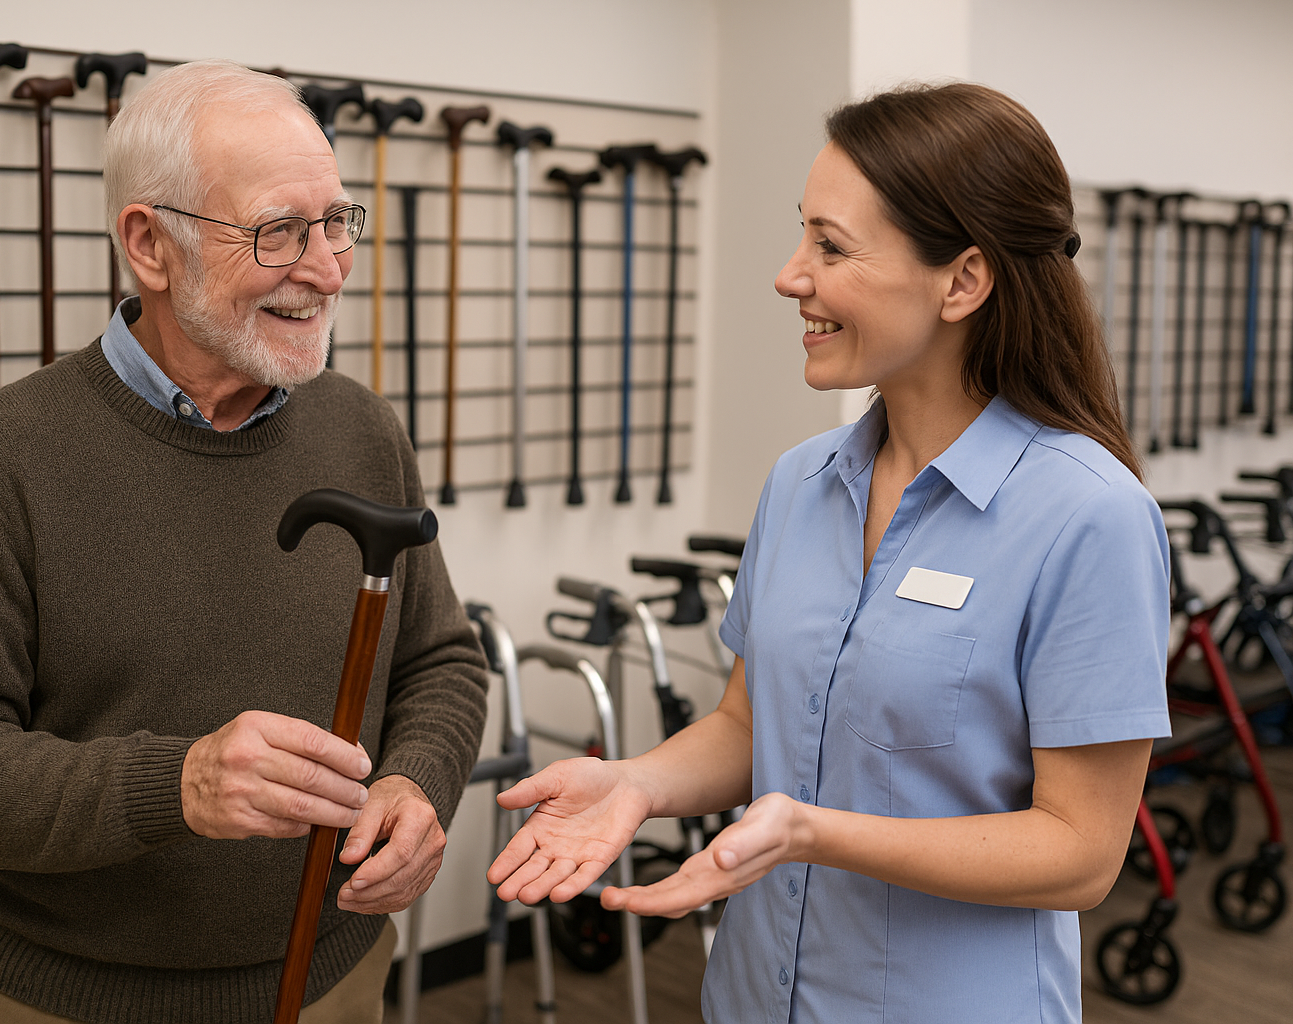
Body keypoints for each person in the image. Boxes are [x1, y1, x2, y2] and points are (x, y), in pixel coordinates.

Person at [489, 82, 1170, 1023]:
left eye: (831, 246)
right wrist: (636, 784)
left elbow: (1082, 853)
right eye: (801, 236)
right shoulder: (802, 482)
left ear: (962, 281)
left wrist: (813, 831)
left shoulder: (1090, 517)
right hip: (754, 997)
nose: (789, 274)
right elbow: (747, 724)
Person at [0, 60, 488, 1024]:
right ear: (150, 246)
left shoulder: (362, 429)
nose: (327, 268)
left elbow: (442, 660)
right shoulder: (2, 457)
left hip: (336, 981)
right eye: (278, 231)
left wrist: (420, 780)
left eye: (336, 222)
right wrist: (181, 783)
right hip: (72, 1001)